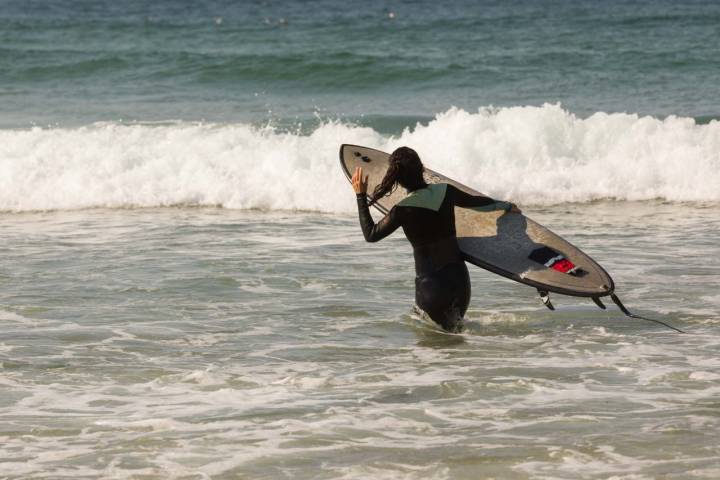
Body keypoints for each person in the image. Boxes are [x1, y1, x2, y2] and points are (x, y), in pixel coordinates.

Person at [352, 146, 520, 333]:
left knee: (433, 353)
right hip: (460, 285)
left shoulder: (402, 210)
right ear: (422, 168)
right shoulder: (446, 191)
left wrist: (360, 195)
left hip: (432, 290)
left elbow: (371, 234)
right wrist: (506, 205)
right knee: (456, 339)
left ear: (397, 180)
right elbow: (477, 202)